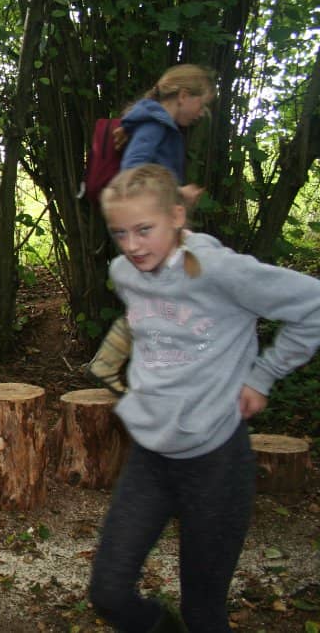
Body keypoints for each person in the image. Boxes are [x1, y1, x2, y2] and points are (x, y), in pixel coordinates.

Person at [88, 164, 320, 632]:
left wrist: (262, 376)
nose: (132, 246)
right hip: (150, 457)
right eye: (120, 233)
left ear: (176, 216)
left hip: (215, 461)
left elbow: (312, 304)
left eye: (144, 230)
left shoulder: (219, 270)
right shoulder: (124, 272)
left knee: (204, 612)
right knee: (109, 592)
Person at [87, 64, 216, 394]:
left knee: (162, 298)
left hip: (154, 226)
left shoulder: (159, 124)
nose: (202, 113)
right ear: (184, 96)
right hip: (144, 230)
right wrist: (178, 193)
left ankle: (122, 364)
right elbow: (133, 172)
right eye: (202, 103)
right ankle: (141, 369)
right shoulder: (155, 125)